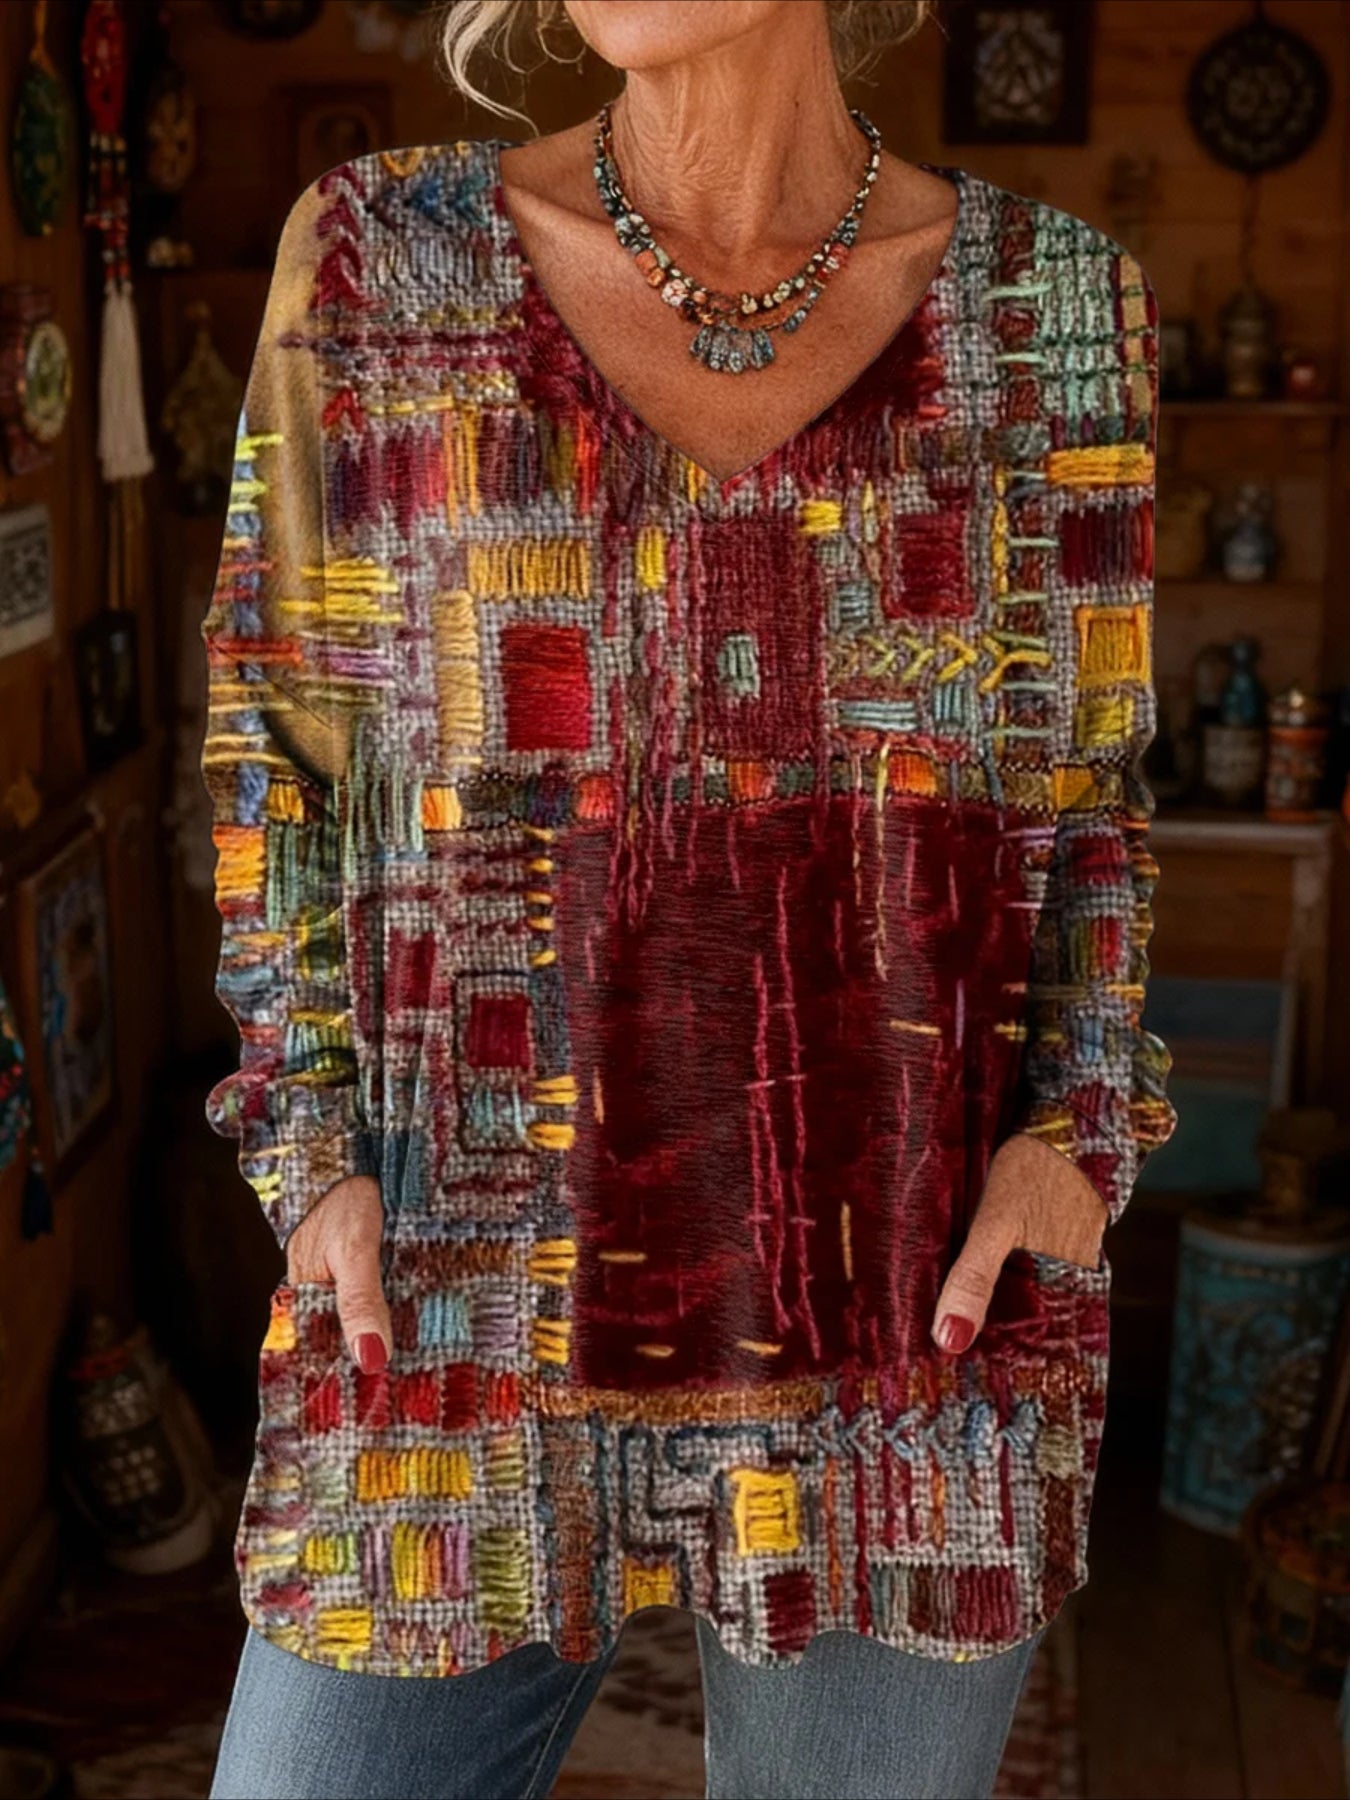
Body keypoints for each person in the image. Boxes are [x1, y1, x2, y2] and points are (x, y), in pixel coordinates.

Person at [203, 3, 1176, 1795]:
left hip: (910, 1328)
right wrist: (309, 1149)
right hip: (454, 1302)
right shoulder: (378, 261)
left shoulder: (1049, 305)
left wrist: (1078, 1139)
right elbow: (279, 750)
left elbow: (1090, 799)